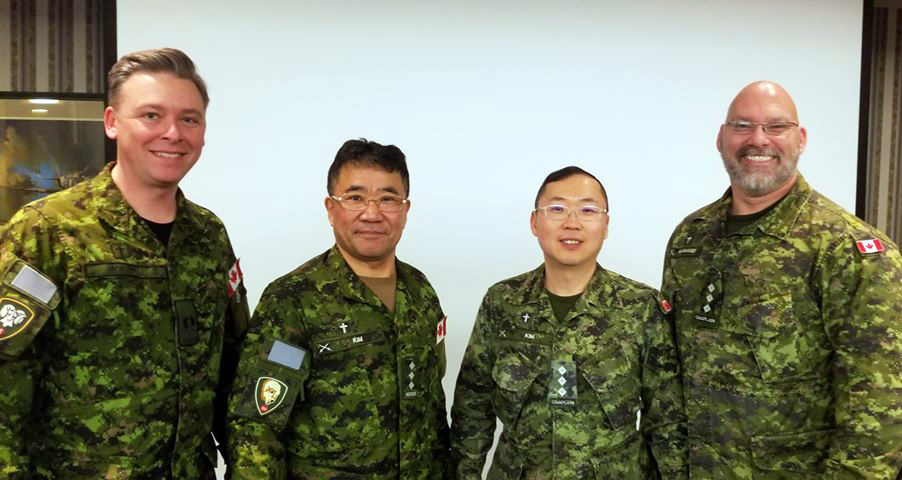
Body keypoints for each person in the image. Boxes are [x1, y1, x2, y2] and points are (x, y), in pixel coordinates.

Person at [0, 48, 250, 478]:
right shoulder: (47, 230)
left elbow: (232, 366)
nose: (173, 133)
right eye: (151, 116)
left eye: (189, 119)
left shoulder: (209, 235)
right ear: (112, 122)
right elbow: (7, 376)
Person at [661, 81, 902, 478]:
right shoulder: (691, 237)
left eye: (776, 127)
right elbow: (670, 373)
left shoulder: (848, 249)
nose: (758, 140)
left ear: (800, 139)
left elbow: (879, 410)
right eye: (742, 126)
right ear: (721, 138)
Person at [226, 139, 450, 479]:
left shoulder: (420, 292)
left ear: (405, 210)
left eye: (388, 199)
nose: (372, 213)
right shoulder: (294, 300)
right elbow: (257, 428)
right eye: (355, 198)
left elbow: (432, 408)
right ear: (331, 209)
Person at [450, 166, 685, 479]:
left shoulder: (641, 307)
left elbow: (667, 419)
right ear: (535, 222)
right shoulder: (502, 302)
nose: (572, 223)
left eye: (588, 210)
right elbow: (472, 407)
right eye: (557, 209)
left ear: (605, 225)